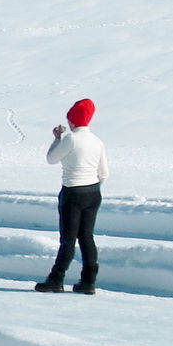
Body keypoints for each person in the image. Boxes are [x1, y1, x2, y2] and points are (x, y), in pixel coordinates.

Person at [36, 98, 107, 293]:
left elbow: (51, 159)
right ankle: (88, 281)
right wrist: (93, 187)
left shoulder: (71, 139)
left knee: (68, 239)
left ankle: (56, 279)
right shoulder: (97, 141)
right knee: (86, 237)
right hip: (93, 193)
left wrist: (57, 138)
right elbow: (104, 173)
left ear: (72, 120)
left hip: (72, 193)